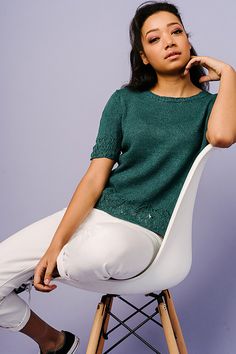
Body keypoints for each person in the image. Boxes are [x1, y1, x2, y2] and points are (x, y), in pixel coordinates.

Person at [1, 1, 235, 353]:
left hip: (146, 235)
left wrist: (230, 74)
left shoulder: (209, 108)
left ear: (188, 40)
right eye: (154, 39)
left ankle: (53, 267)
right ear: (143, 56)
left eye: (176, 31)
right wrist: (54, 244)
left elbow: (222, 137)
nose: (169, 41)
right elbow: (95, 178)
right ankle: (53, 342)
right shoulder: (124, 101)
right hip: (96, 216)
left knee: (98, 254)